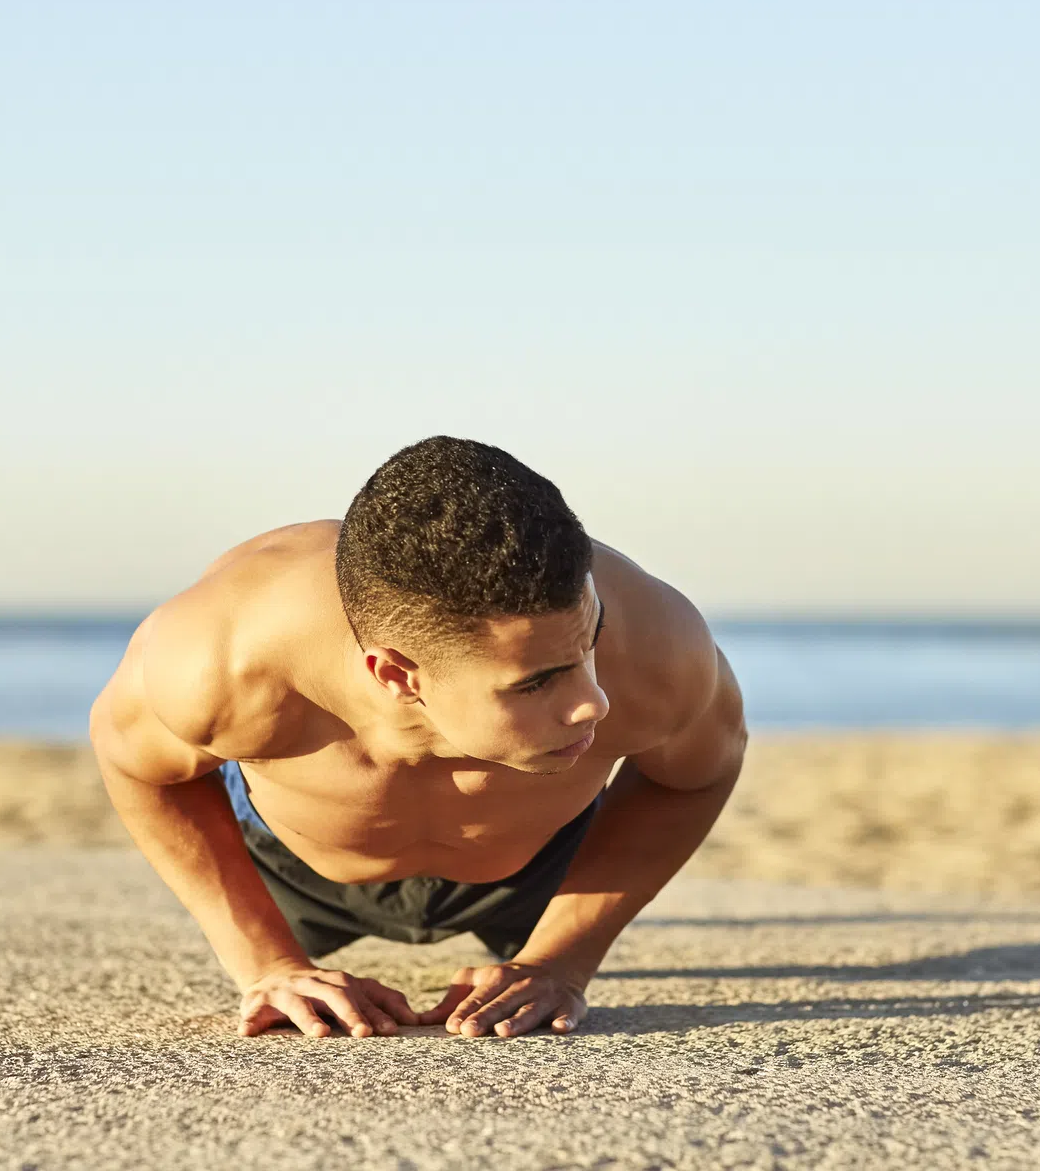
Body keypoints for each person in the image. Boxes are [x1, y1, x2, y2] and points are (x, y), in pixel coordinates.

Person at [89, 436, 747, 1039]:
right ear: (397, 675)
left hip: (546, 867)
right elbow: (136, 766)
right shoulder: (224, 657)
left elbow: (697, 774)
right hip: (295, 870)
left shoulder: (658, 645)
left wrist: (561, 959)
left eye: (589, 642)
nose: (593, 703)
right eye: (535, 682)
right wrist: (265, 962)